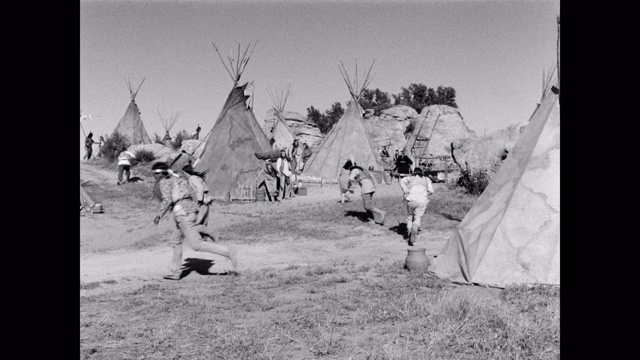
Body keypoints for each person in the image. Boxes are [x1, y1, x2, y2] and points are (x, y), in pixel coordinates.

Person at [152, 162, 237, 280]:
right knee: (175, 241)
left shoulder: (165, 181)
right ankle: (175, 272)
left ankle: (228, 252)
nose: (154, 177)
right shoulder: (179, 179)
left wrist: (159, 215)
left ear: (160, 174)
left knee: (196, 245)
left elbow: (167, 199)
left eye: (155, 174)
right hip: (190, 210)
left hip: (182, 213)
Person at [344, 160, 386, 225]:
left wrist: (348, 186)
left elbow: (351, 179)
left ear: (349, 167)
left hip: (366, 187)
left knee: (368, 206)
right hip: (371, 186)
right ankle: (371, 220)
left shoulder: (354, 170)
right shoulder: (361, 170)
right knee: (367, 205)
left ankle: (381, 212)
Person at [399, 167, 434, 246]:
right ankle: (415, 226)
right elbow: (432, 191)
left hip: (411, 200)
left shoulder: (410, 178)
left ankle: (409, 233)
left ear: (413, 172)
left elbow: (402, 181)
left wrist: (405, 189)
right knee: (417, 217)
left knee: (409, 217)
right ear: (422, 172)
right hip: (422, 201)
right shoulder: (426, 179)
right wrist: (425, 193)